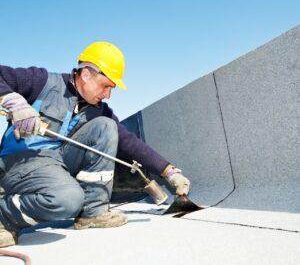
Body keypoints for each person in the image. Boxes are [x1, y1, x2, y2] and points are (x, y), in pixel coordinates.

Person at [0, 42, 191, 247]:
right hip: (21, 160)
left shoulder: (98, 110)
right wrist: (14, 102)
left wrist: (168, 171)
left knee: (107, 127)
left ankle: (92, 213)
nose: (108, 94)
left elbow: (130, 143)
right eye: (106, 86)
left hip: (56, 161)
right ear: (86, 75)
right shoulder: (43, 81)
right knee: (67, 200)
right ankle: (4, 217)